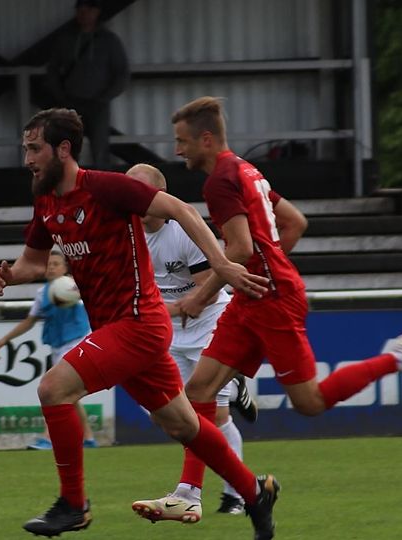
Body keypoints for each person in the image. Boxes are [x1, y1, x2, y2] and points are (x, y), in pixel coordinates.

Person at [131, 96, 402, 524]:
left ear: (206, 139)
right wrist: (268, 268)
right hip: (254, 296)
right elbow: (295, 223)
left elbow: (240, 249)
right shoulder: (247, 171)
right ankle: (188, 493)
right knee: (198, 393)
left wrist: (201, 296)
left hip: (273, 302)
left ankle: (398, 357)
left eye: (182, 141)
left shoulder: (220, 182)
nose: (178, 151)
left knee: (310, 402)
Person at [0, 108, 279, 539]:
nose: (27, 159)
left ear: (63, 149)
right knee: (183, 425)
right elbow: (32, 263)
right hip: (118, 328)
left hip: (139, 323)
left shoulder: (105, 187)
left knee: (53, 389)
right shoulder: (47, 200)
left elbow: (180, 208)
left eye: (34, 149)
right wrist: (7, 275)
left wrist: (220, 263)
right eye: (25, 149)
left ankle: (74, 505)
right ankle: (255, 493)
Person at [127, 163, 260, 518]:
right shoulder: (125, 234)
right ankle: (236, 386)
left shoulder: (183, 232)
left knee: (214, 416)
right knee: (169, 417)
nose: (133, 200)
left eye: (140, 192)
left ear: (160, 197)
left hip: (208, 322)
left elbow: (206, 289)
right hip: (169, 331)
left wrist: (163, 310)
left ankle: (235, 495)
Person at [0, 250, 97, 450]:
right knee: (67, 395)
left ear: (65, 268)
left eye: (56, 264)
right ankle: (89, 438)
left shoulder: (74, 285)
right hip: (57, 345)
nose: (51, 268)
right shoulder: (42, 294)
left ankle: (48, 437)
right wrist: (3, 340)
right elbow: (29, 322)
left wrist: (76, 287)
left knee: (56, 389)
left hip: (76, 341)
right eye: (48, 264)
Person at [44, 0, 129, 170]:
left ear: (96, 12)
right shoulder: (67, 40)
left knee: (99, 148)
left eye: (87, 10)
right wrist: (60, 95)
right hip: (71, 102)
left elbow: (121, 73)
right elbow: (52, 69)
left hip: (98, 104)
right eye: (80, 10)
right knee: (68, 147)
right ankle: (69, 182)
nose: (83, 14)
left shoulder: (108, 41)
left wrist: (105, 96)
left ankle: (102, 183)